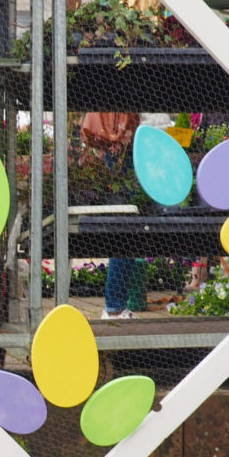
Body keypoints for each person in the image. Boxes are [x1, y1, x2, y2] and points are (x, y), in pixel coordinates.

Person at [80, 111, 146, 319]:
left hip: (119, 145)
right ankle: (115, 306)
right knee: (126, 228)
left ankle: (116, 305)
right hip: (125, 146)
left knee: (126, 228)